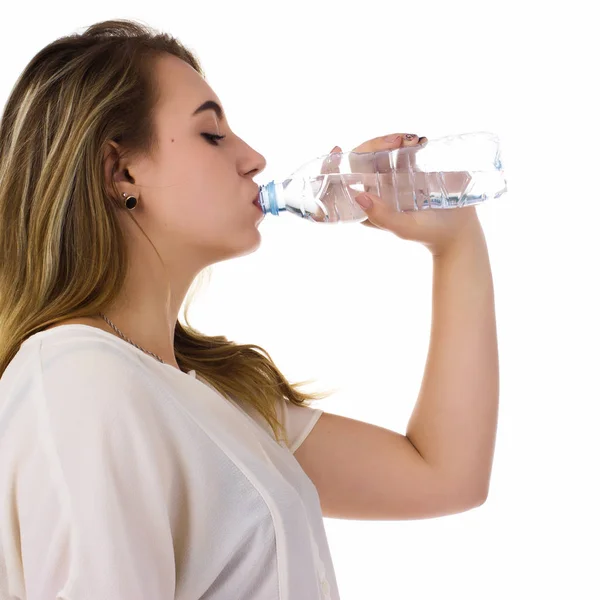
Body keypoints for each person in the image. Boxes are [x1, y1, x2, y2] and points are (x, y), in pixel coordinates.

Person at [0, 17, 497, 600]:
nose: (254, 158)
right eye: (212, 134)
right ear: (122, 172)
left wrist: (456, 242)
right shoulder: (77, 379)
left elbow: (443, 475)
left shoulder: (209, 394)